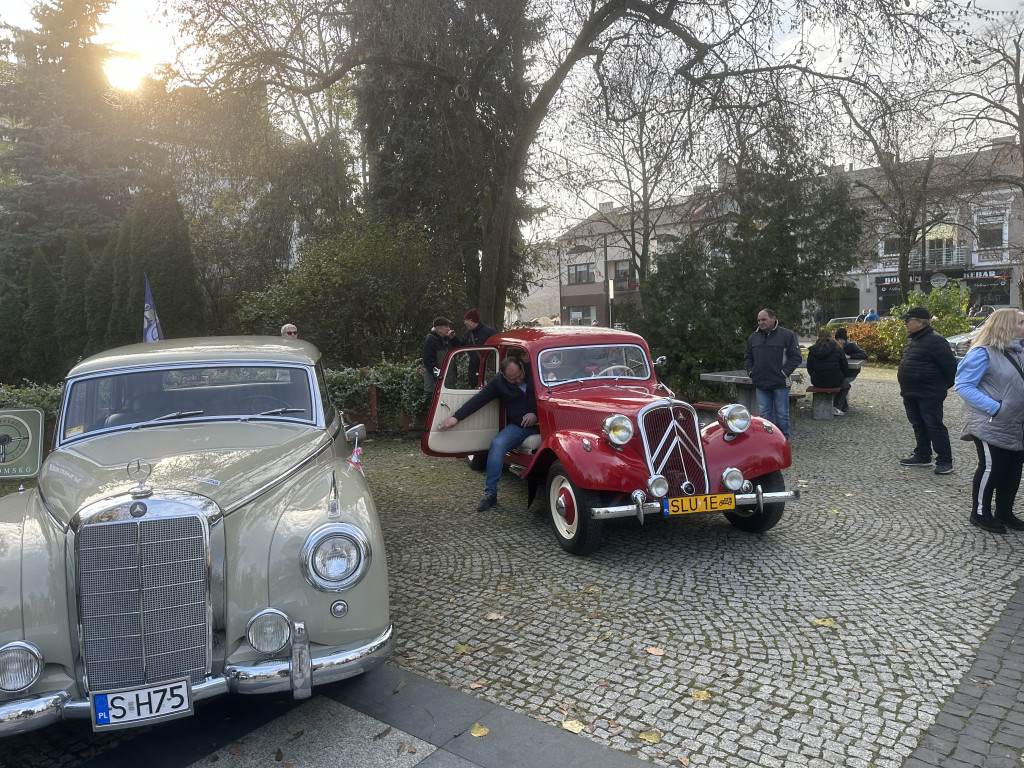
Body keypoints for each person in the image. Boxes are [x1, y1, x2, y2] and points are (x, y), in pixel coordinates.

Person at [437, 357, 539, 511]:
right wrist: (455, 418)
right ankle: (490, 495)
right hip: (520, 427)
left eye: (520, 376)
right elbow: (478, 400)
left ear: (522, 366)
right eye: (513, 379)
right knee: (497, 445)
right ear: (503, 376)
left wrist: (536, 415)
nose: (518, 380)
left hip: (548, 423)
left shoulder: (535, 370)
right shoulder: (498, 382)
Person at [954, 309, 1024, 533]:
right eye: (1022, 322)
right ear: (1007, 326)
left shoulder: (1019, 351)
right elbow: (963, 385)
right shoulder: (983, 353)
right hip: (990, 422)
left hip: (1015, 423)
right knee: (992, 467)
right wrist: (996, 408)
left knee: (1013, 469)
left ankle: (1004, 512)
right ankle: (980, 513)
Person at [897, 307, 958, 474]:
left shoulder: (936, 341)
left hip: (929, 393)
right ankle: (923, 455)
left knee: (934, 426)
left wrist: (937, 388)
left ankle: (945, 461)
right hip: (911, 392)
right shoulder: (914, 339)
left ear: (919, 322)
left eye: (907, 321)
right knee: (918, 424)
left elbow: (951, 369)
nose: (905, 324)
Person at [744, 308, 802, 440]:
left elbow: (796, 357)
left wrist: (784, 372)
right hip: (761, 383)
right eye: (758, 320)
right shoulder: (753, 337)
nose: (760, 322)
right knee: (764, 415)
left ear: (773, 319)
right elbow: (748, 356)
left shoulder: (787, 335)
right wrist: (752, 372)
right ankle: (768, 441)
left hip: (780, 383)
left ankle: (782, 442)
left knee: (782, 415)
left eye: (763, 319)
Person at [806, 329, 851, 416]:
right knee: (845, 385)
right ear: (831, 337)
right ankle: (837, 407)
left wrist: (815, 376)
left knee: (842, 384)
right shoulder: (838, 348)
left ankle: (840, 407)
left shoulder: (813, 350)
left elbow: (809, 368)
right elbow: (844, 366)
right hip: (835, 380)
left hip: (817, 381)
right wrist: (842, 377)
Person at [422, 317, 459, 399]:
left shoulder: (447, 339)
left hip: (448, 384)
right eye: (446, 326)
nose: (449, 329)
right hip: (435, 386)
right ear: (438, 328)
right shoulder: (430, 340)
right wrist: (440, 377)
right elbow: (428, 362)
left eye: (448, 326)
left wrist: (453, 338)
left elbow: (460, 349)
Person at [833, 328, 868, 413]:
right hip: (840, 373)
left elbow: (864, 354)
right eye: (838, 339)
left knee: (842, 384)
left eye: (842, 339)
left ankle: (838, 407)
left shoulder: (851, 345)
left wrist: (850, 356)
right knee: (841, 384)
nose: (840, 341)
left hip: (850, 373)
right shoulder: (834, 346)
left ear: (845, 339)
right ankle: (843, 406)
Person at [463, 308, 497, 387]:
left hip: (488, 373)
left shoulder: (490, 333)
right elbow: (462, 347)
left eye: (467, 320)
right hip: (473, 373)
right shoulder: (468, 334)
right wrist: (453, 338)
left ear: (473, 320)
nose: (465, 323)